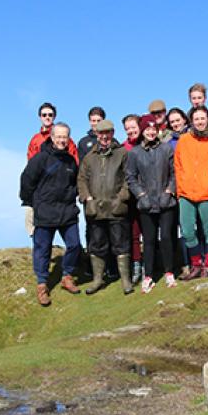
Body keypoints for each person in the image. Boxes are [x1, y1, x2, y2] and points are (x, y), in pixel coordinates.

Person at [20, 122, 82, 306]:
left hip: (67, 212)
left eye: (65, 137)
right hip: (45, 211)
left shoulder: (71, 161)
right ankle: (42, 285)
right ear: (52, 137)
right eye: (59, 136)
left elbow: (74, 184)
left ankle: (67, 276)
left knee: (75, 245)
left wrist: (73, 197)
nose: (62, 140)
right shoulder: (40, 159)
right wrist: (32, 203)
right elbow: (26, 181)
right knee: (42, 250)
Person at [77, 119, 134, 295]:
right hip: (95, 209)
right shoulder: (89, 157)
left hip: (117, 208)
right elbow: (81, 179)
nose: (104, 137)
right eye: (101, 133)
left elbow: (129, 177)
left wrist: (122, 198)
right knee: (96, 245)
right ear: (96, 135)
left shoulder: (122, 153)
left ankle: (126, 280)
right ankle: (97, 279)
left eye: (107, 133)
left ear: (113, 133)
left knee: (121, 244)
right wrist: (87, 198)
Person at [174, 106, 208, 279]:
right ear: (191, 121)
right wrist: (181, 190)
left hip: (207, 194)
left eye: (202, 118)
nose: (199, 122)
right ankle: (196, 265)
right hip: (186, 194)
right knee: (188, 231)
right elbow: (178, 166)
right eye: (196, 119)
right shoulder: (183, 140)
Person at [127, 115, 178, 293]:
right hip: (146, 204)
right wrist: (141, 195)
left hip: (166, 202)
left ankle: (169, 271)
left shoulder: (166, 149)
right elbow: (131, 177)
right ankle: (148, 275)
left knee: (166, 237)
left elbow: (174, 172)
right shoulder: (134, 153)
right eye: (147, 129)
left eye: (153, 129)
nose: (150, 132)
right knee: (148, 240)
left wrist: (169, 191)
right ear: (142, 131)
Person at [25, 103, 78, 238]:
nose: (47, 117)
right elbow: (31, 165)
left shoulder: (65, 137)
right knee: (35, 224)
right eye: (44, 115)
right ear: (40, 117)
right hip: (41, 190)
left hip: (62, 189)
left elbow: (74, 161)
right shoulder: (35, 139)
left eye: (50, 115)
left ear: (54, 116)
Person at [166, 107, 192, 280]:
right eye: (172, 121)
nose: (176, 124)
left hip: (199, 187)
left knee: (202, 227)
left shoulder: (194, 136)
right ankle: (186, 264)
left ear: (184, 119)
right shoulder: (169, 144)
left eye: (178, 120)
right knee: (185, 229)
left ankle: (204, 261)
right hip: (180, 190)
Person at [122, 114, 144, 284]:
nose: (131, 130)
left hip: (150, 195)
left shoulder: (148, 144)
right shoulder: (124, 149)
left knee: (150, 232)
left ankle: (152, 264)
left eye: (133, 126)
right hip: (131, 198)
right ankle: (137, 265)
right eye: (127, 128)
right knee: (134, 233)